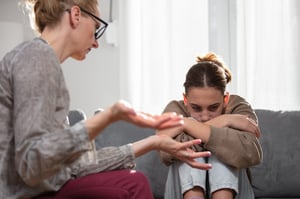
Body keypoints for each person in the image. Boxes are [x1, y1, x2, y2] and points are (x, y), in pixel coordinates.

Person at [0, 1, 212, 198]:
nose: (96, 43)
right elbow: (32, 164)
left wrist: (153, 142)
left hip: (43, 188)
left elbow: (77, 166)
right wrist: (108, 116)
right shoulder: (36, 58)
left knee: (132, 180)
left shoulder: (42, 61)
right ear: (75, 15)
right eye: (96, 27)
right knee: (132, 183)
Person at [158, 52, 263, 199]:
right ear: (185, 99)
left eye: (213, 107)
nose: (205, 116)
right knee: (191, 155)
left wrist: (187, 125)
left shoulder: (238, 106)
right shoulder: (175, 108)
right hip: (181, 194)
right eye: (196, 108)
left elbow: (251, 152)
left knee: (225, 153)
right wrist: (224, 121)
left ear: (225, 99)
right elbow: (165, 152)